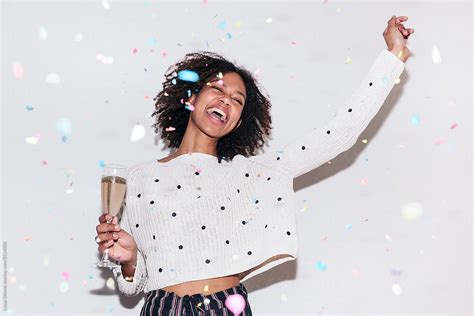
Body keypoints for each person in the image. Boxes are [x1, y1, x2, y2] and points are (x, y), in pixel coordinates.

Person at [95, 15, 414, 315]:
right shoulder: (138, 178)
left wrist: (393, 58)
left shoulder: (249, 174)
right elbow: (133, 285)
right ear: (192, 97)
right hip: (163, 308)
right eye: (217, 89)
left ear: (237, 122)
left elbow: (339, 133)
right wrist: (130, 260)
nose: (225, 101)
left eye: (236, 100)